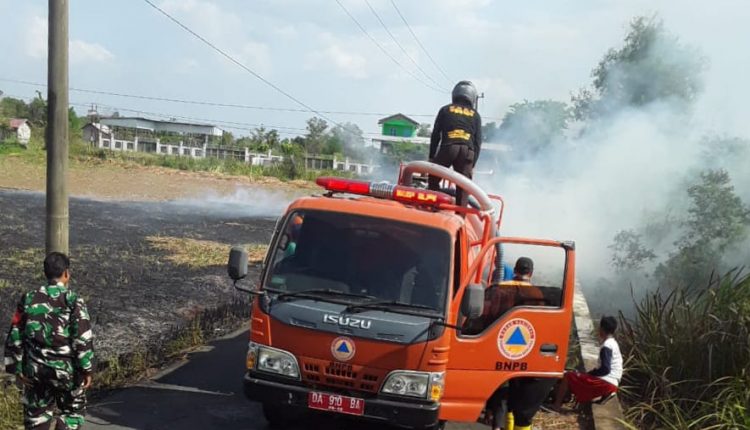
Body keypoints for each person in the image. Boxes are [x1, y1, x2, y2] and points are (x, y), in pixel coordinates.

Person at [4, 252, 95, 430]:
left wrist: (16, 367)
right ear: (66, 273)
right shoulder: (73, 300)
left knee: (36, 416)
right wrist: (87, 369)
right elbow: (82, 338)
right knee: (71, 414)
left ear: (45, 273)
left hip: (35, 371)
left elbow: (15, 333)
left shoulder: (29, 298)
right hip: (66, 373)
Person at [428, 80, 483, 207]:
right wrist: (472, 164)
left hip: (448, 147)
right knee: (463, 187)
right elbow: (478, 142)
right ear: (472, 97)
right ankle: (460, 216)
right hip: (467, 151)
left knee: (433, 179)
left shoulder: (445, 109)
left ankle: (433, 207)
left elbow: (436, 134)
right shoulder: (475, 115)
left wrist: (432, 156)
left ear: (455, 94)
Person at [551, 316, 623, 411]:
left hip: (605, 382)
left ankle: (556, 405)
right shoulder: (613, 343)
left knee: (568, 376)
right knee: (578, 377)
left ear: (601, 329)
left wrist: (591, 373)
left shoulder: (607, 346)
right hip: (613, 383)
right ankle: (605, 394)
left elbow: (605, 368)